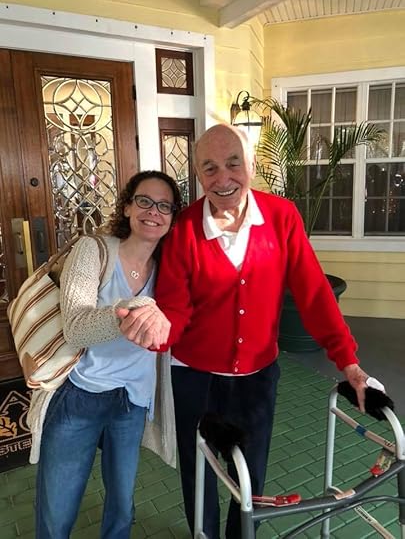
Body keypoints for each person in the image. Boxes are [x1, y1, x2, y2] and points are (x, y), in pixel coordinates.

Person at [117, 125, 372, 539]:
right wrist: (155, 332)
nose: (223, 178)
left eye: (233, 164)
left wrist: (347, 360)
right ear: (198, 174)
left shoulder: (281, 216)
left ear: (251, 165)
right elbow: (176, 308)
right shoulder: (183, 228)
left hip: (257, 377)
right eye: (210, 168)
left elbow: (313, 293)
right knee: (199, 473)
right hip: (194, 378)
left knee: (250, 477)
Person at [34, 170, 182, 539]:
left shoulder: (169, 267)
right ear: (128, 207)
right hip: (82, 393)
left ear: (172, 217)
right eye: (144, 201)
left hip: (132, 399)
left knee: (121, 506)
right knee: (57, 509)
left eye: (164, 206)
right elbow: (77, 328)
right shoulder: (94, 250)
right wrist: (133, 309)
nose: (153, 212)